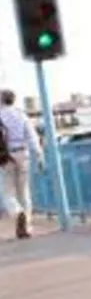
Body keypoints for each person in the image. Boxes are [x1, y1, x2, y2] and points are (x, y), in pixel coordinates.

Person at [0, 89, 43, 239]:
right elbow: (32, 136)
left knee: (8, 192)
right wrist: (39, 155)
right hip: (23, 154)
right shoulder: (21, 115)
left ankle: (17, 212)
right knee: (24, 192)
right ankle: (27, 228)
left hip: (6, 157)